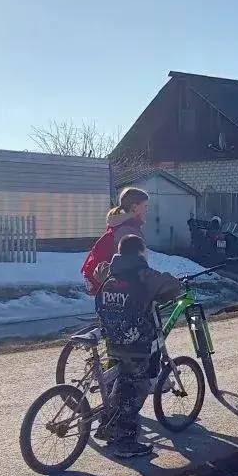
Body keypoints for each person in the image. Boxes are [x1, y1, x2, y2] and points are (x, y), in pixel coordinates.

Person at [95, 234, 181, 457]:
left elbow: (98, 274)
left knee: (121, 383)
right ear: (141, 252)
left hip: (112, 339)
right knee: (138, 387)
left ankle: (108, 426)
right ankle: (126, 442)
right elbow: (171, 285)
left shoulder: (110, 272)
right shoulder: (144, 275)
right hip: (135, 343)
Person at [82, 187, 150, 294]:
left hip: (109, 281)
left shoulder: (120, 225)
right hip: (119, 285)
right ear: (134, 207)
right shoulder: (128, 230)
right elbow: (134, 264)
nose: (147, 210)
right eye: (145, 206)